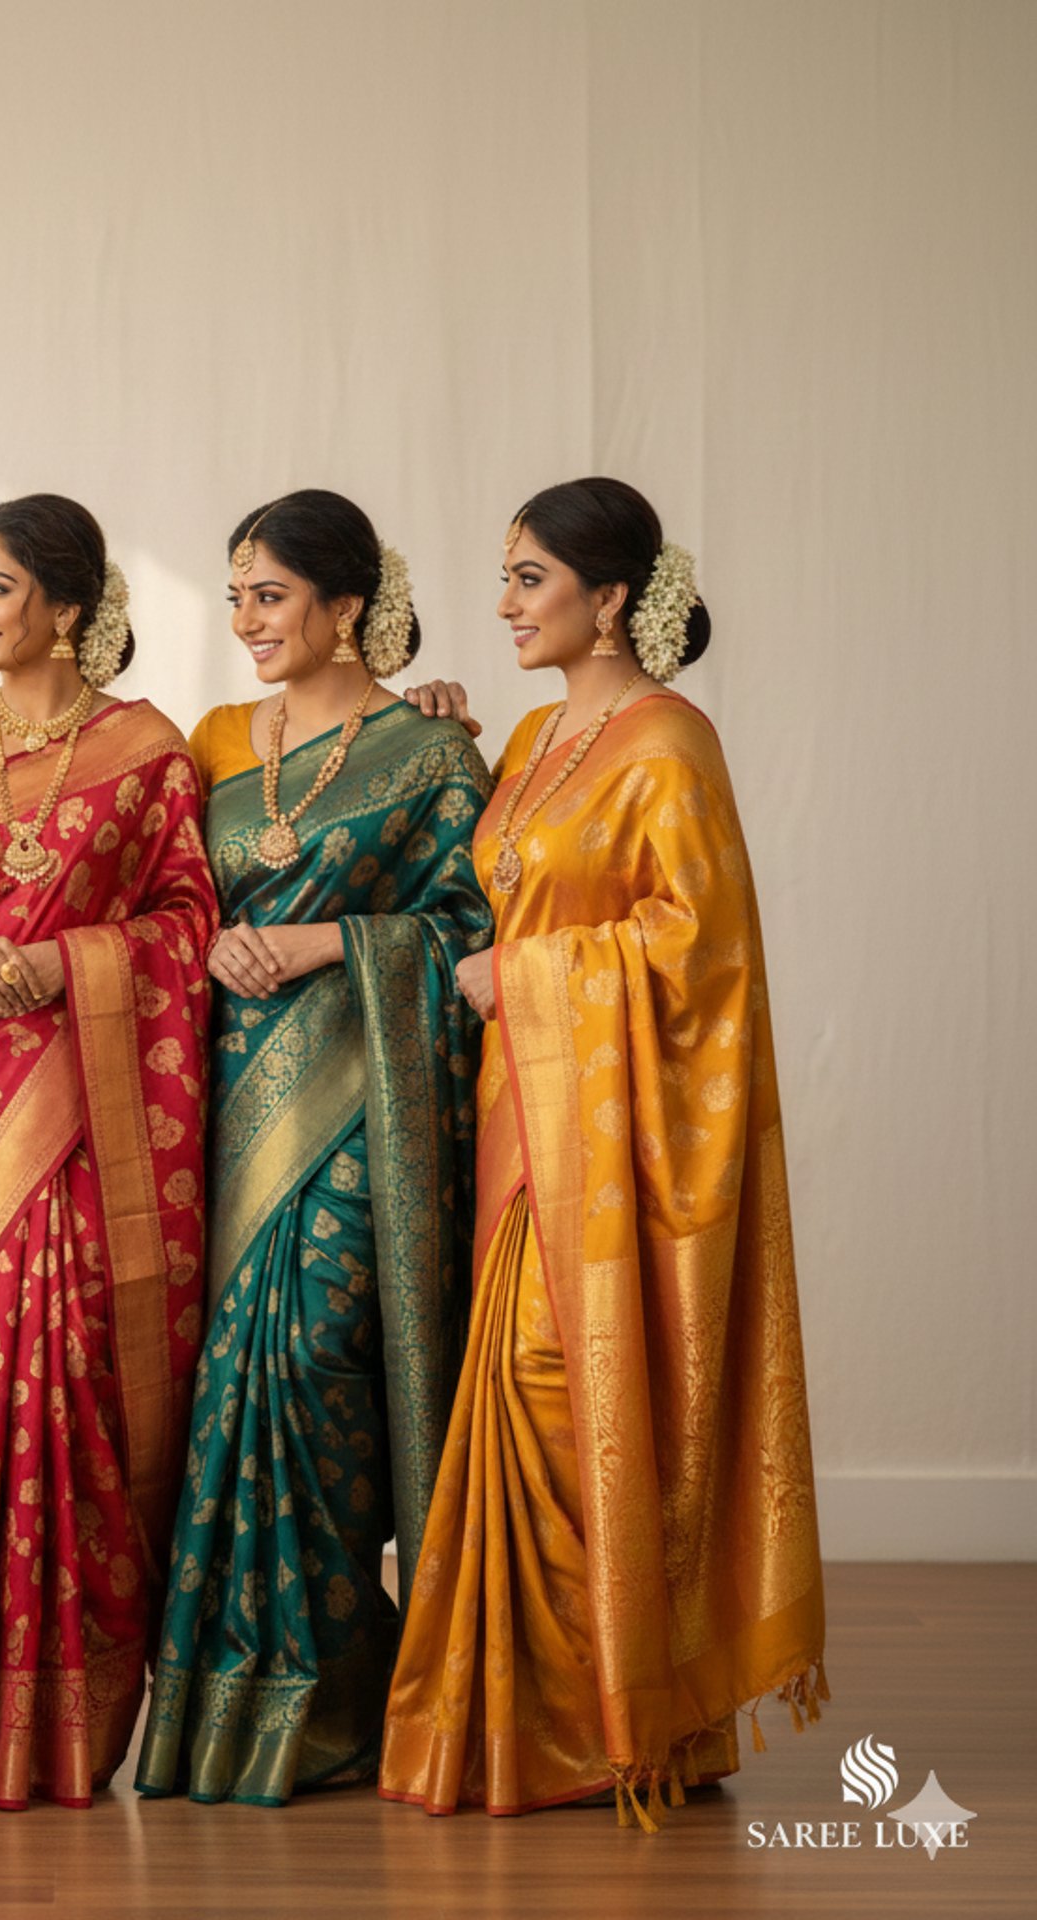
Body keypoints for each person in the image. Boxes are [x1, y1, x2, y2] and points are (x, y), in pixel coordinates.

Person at [381, 477, 827, 1829]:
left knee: (569, 1391)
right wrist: (440, 745)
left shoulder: (667, 745)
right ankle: (544, 1720)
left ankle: (615, 1721)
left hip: (618, 1148)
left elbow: (705, 957)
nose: (506, 604)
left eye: (530, 580)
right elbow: (490, 876)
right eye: (505, 579)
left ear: (612, 597)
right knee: (525, 1390)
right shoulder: (526, 741)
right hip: (525, 1128)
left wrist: (523, 980)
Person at [135, 490, 492, 1805]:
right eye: (235, 597)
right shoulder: (224, 740)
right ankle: (231, 1703)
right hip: (236, 1104)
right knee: (228, 1380)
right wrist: (215, 941)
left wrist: (328, 942)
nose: (247, 623)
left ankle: (342, 1692)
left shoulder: (435, 752)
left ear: (350, 603)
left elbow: (470, 934)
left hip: (363, 1099)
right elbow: (167, 889)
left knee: (309, 1360)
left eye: (271, 597)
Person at [0, 494, 217, 1809]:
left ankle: (82, 1715)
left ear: (69, 607)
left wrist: (71, 962)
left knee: (75, 1371)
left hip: (91, 1089)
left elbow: (190, 915)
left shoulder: (146, 751)